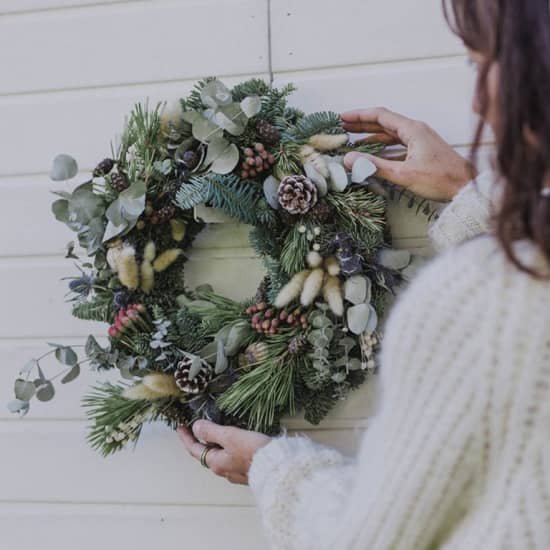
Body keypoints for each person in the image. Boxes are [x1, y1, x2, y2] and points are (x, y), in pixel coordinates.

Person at [178, 0, 550, 547]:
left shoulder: (488, 304)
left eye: (482, 63)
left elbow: (368, 539)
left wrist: (273, 467)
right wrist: (468, 191)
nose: (476, 99)